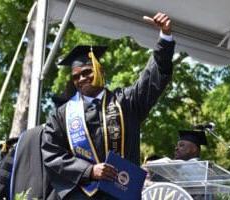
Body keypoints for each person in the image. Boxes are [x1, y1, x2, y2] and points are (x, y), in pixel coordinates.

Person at [42, 12, 176, 199]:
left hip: (121, 193)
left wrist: (165, 36)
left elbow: (153, 77)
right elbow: (51, 154)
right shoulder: (62, 115)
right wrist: (89, 170)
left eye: (87, 72)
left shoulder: (127, 102)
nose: (81, 78)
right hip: (81, 194)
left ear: (100, 70)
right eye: (76, 76)